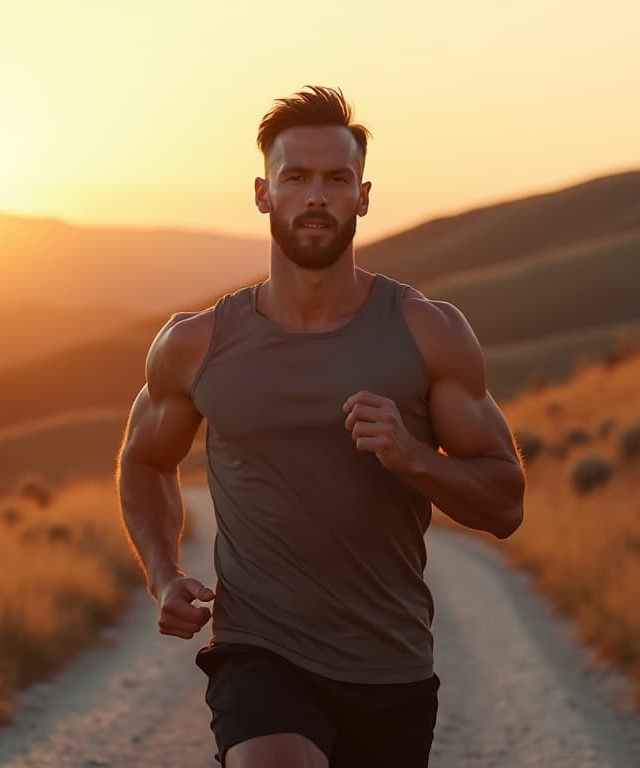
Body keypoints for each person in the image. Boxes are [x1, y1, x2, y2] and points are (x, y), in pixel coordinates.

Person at [116, 85, 526, 768]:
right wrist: (164, 575)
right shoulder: (197, 343)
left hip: (390, 665)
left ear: (362, 196)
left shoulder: (428, 332)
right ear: (262, 193)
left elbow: (506, 503)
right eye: (295, 177)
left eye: (336, 179)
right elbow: (144, 460)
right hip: (258, 650)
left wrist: (413, 457)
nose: (316, 196)